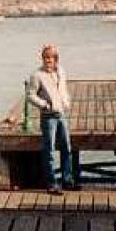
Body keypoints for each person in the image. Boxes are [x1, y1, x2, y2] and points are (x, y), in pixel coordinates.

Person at [28, 44, 78, 194]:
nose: (48, 60)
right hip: (48, 117)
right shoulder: (37, 75)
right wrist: (44, 104)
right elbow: (30, 95)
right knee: (49, 150)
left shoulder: (61, 71)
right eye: (45, 57)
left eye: (51, 57)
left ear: (56, 58)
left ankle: (67, 180)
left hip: (61, 114)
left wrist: (66, 101)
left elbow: (63, 89)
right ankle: (51, 183)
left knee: (66, 147)